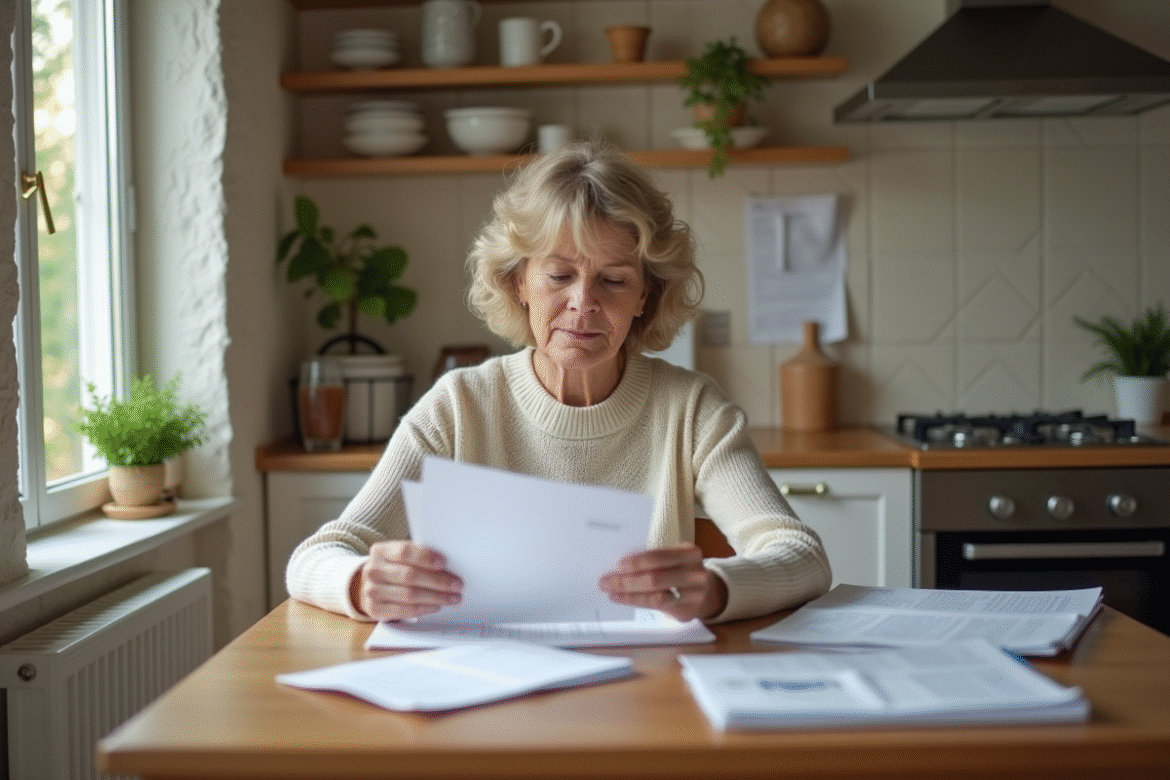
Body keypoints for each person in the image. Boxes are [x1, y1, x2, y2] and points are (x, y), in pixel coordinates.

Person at [286, 140, 831, 624]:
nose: (583, 303)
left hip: (644, 696)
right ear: (520, 281)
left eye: (614, 280)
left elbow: (801, 555)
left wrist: (714, 590)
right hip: (484, 691)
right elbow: (317, 555)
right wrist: (361, 584)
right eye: (559, 275)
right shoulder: (460, 405)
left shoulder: (692, 410)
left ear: (646, 296)